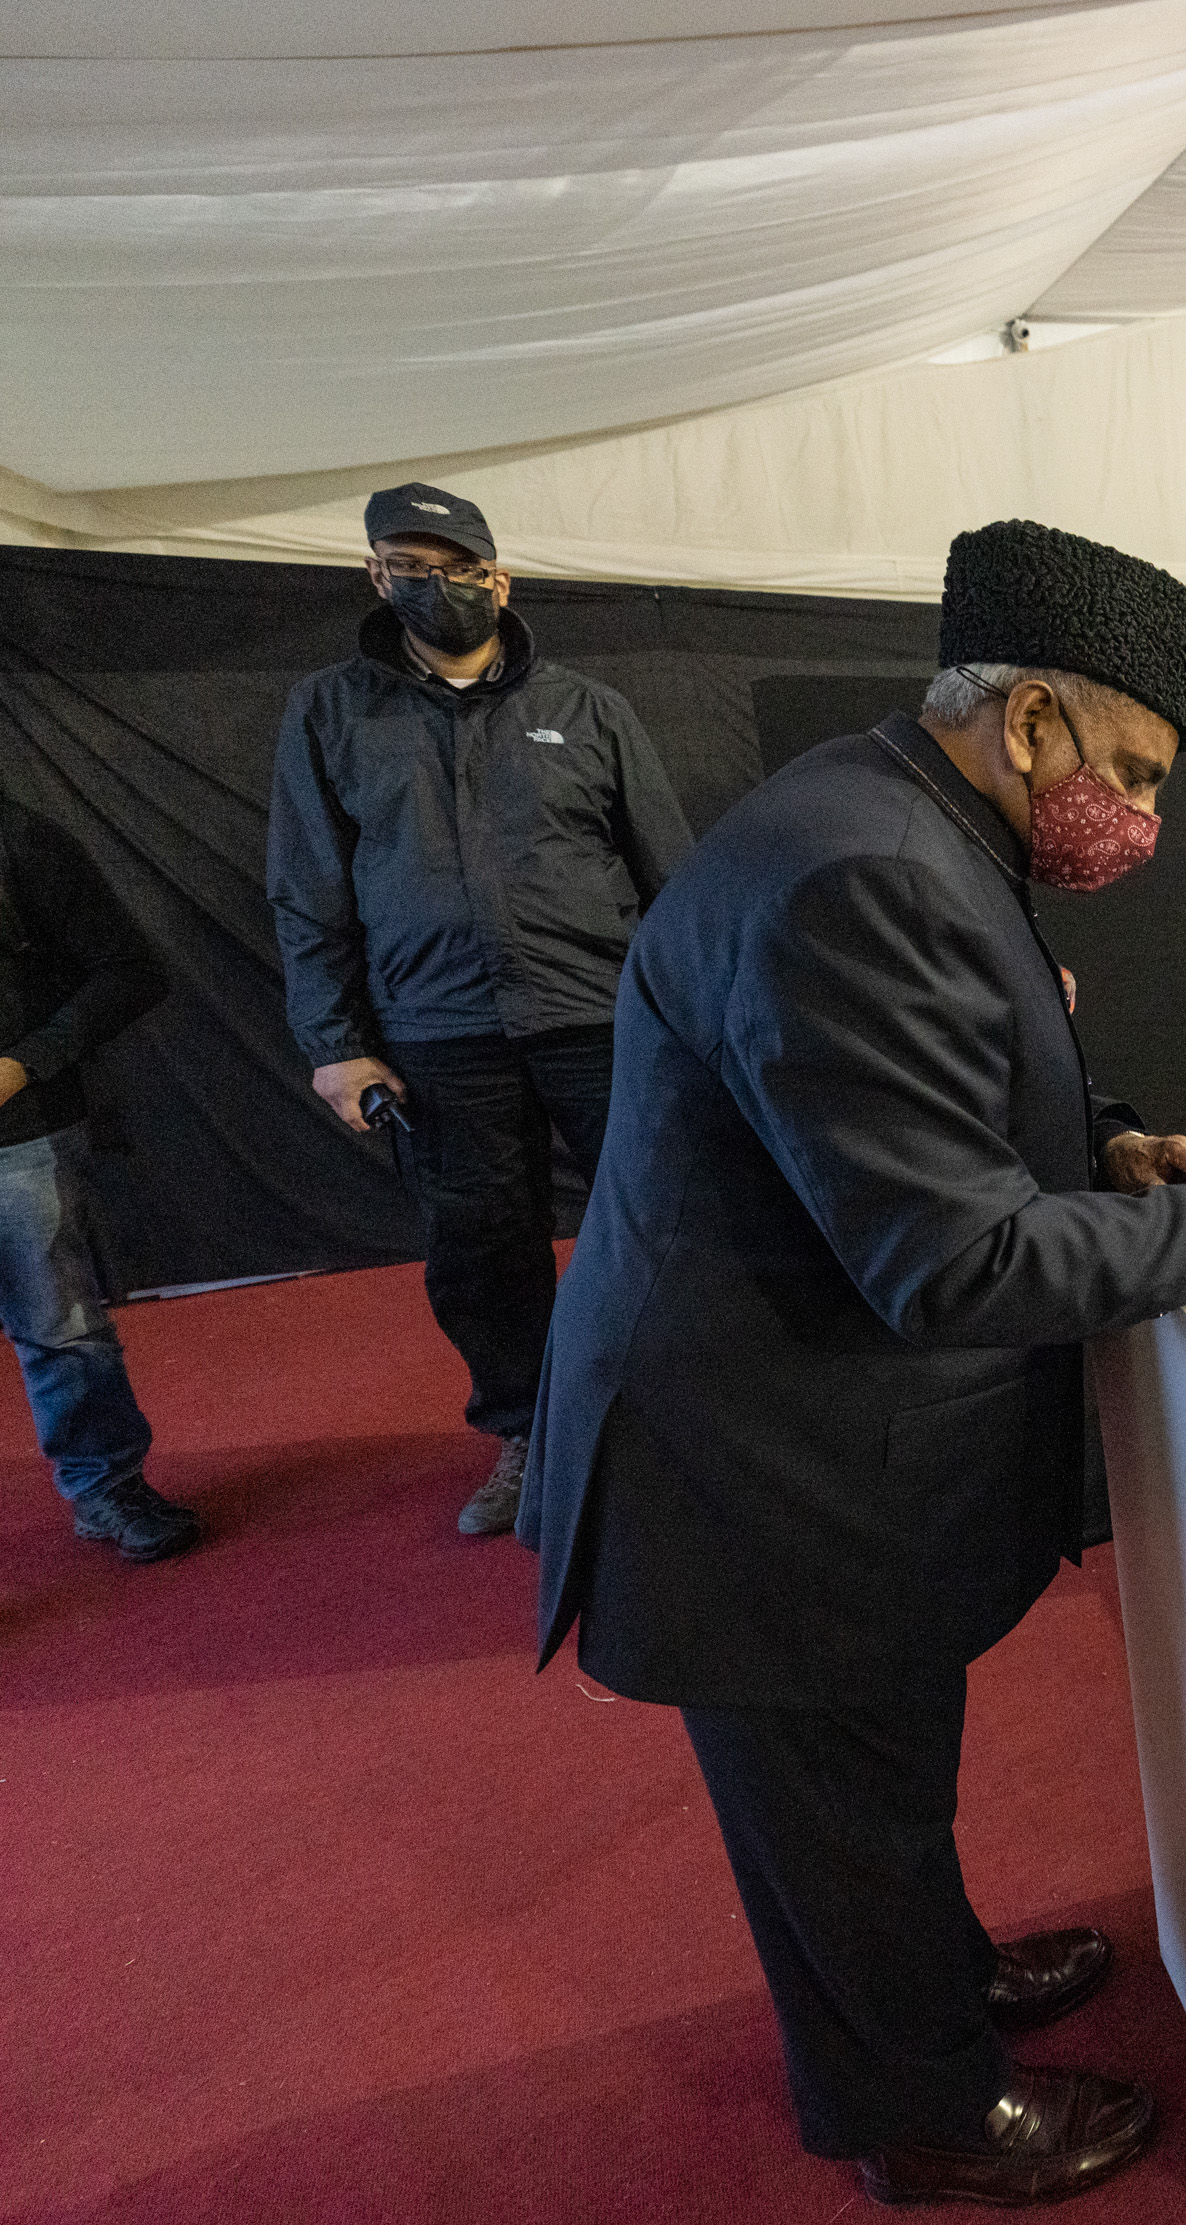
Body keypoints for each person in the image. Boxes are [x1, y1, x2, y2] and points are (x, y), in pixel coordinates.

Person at [519, 519, 1186, 2209]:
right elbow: (954, 1254)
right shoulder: (871, 868)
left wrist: (1110, 1143)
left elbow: (942, 1104)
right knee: (832, 1814)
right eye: (1129, 765)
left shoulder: (899, 816)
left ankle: (935, 1977)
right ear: (1029, 720)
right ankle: (917, 2111)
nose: (1142, 815)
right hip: (752, 1475)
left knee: (880, 1784)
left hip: (806, 1440)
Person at [267, 483, 691, 1535]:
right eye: (407, 564)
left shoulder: (591, 710)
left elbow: (675, 877)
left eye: (454, 566)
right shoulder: (330, 711)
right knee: (479, 1248)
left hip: (600, 1016)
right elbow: (307, 887)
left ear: (499, 578)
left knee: (666, 1219)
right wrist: (336, 1045)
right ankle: (532, 1434)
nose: (435, 584)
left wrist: (698, 1019)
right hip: (437, 1030)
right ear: (375, 575)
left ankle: (681, 1416)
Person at [0, 802, 188, 1560]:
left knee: (60, 1326)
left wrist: (25, 1062)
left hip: (19, 1136)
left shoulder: (23, 838)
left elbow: (132, 971)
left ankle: (107, 1488)